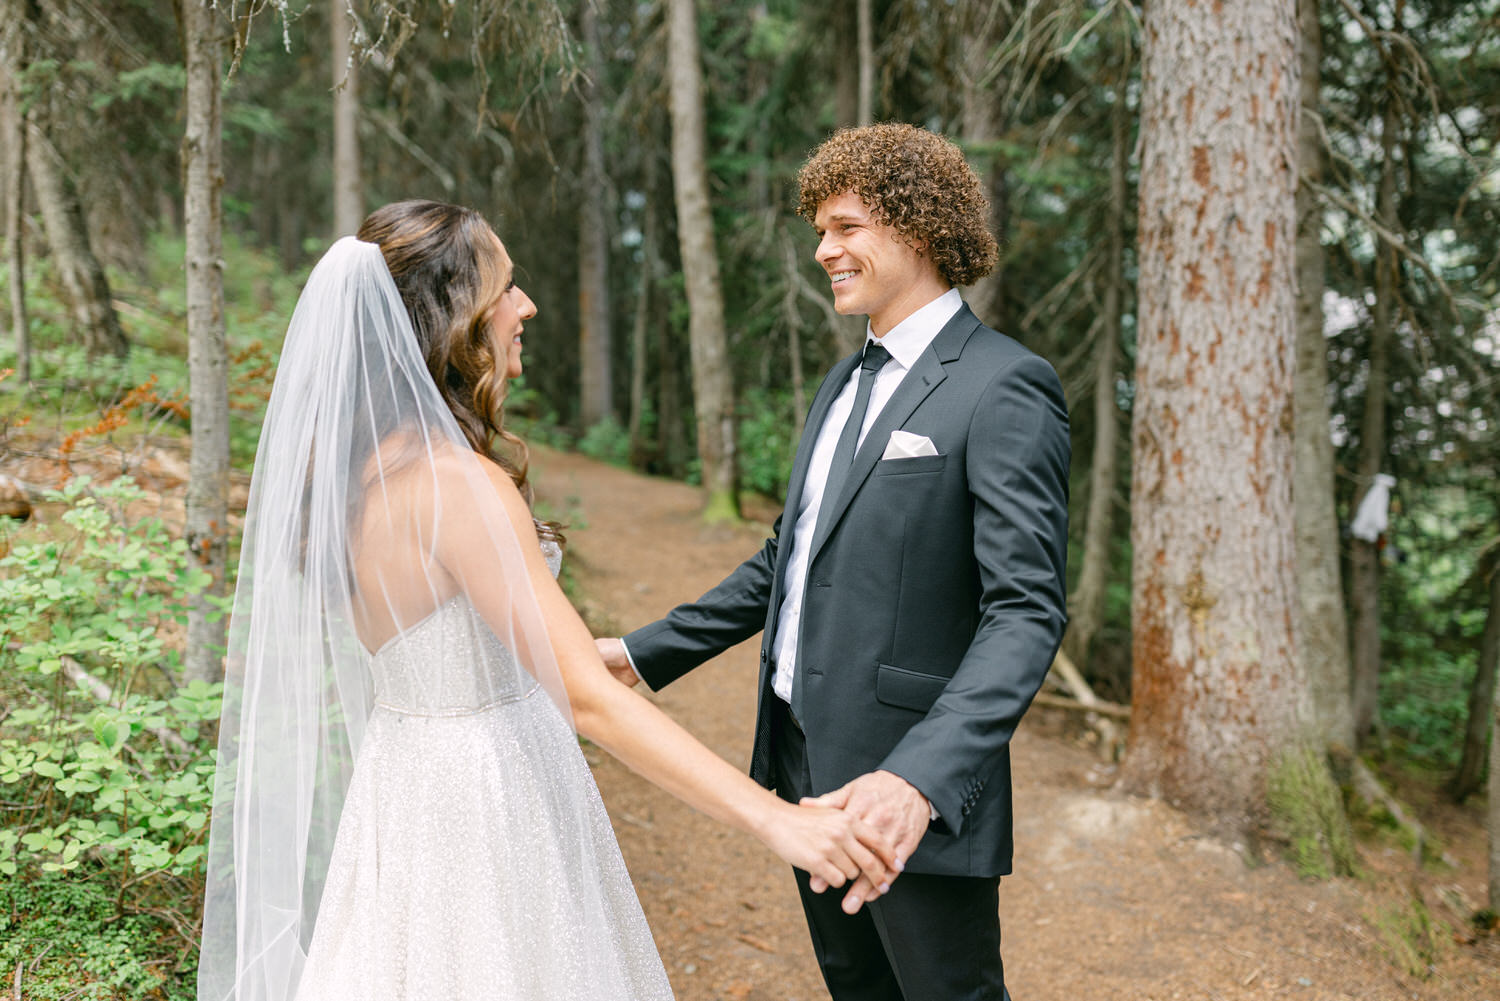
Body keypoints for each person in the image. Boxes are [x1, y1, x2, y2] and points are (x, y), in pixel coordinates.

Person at [196, 200, 898, 1001]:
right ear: (451, 317)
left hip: (406, 789)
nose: (525, 306)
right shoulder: (460, 486)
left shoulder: (357, 478)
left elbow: (452, 644)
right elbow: (588, 703)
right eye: (506, 288)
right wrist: (780, 821)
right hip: (488, 804)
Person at [597, 124, 1070, 1000]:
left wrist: (918, 780)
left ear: (918, 228)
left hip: (908, 785)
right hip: (801, 763)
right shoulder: (842, 383)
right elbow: (790, 557)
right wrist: (640, 651)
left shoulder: (1005, 384)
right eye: (820, 230)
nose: (824, 250)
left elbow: (1026, 611)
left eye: (846, 228)